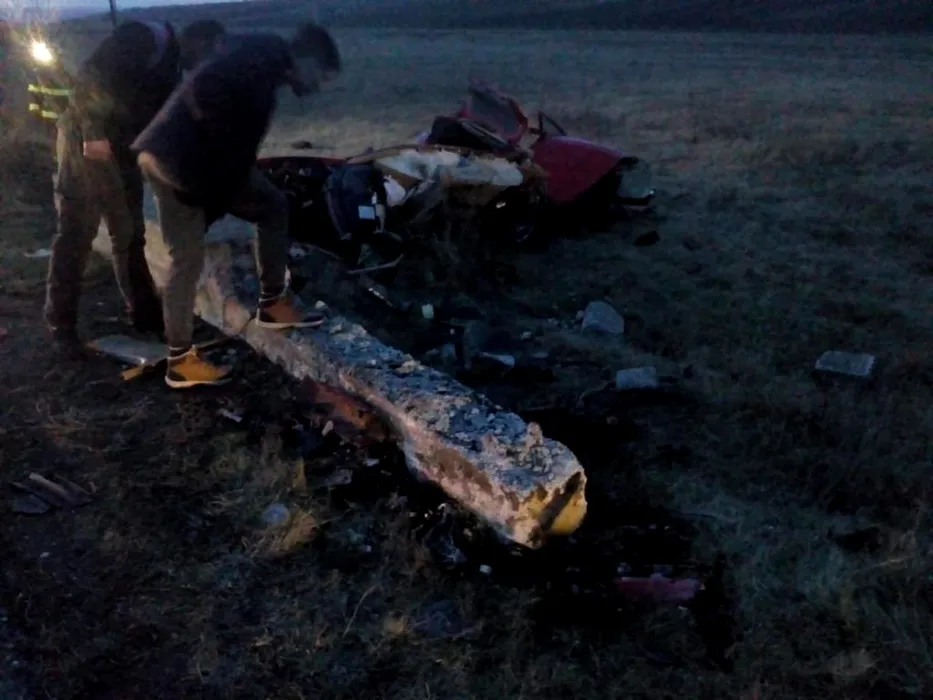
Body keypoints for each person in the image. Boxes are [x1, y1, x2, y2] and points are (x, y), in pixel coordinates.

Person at [132, 24, 341, 389]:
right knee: (273, 207)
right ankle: (272, 303)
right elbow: (207, 98)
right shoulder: (258, 68)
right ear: (306, 59)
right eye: (321, 76)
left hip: (160, 154)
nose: (318, 86)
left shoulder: (255, 53)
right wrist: (208, 188)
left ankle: (180, 361)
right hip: (185, 163)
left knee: (186, 258)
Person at [43, 20, 182, 359]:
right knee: (76, 236)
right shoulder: (138, 38)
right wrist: (93, 133)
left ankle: (145, 314)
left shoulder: (173, 67)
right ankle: (62, 327)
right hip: (87, 146)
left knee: (130, 236)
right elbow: (89, 79)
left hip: (122, 151)